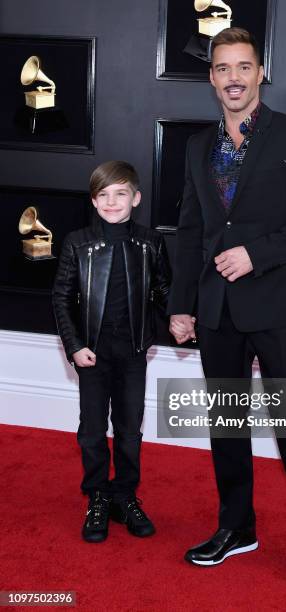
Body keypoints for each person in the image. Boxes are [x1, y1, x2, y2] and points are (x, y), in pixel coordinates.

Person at [168, 28, 286, 602]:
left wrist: (257, 254)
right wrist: (183, 307)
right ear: (212, 77)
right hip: (217, 310)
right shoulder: (197, 147)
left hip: (280, 306)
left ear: (260, 73)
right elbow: (192, 230)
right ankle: (237, 526)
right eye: (223, 69)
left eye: (244, 67)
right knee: (227, 428)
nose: (234, 78)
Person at [53, 160, 171, 543]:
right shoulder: (78, 242)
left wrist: (165, 328)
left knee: (128, 430)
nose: (112, 201)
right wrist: (74, 346)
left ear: (135, 198)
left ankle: (125, 496)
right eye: (103, 195)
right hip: (92, 354)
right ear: (94, 200)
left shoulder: (151, 242)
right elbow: (61, 298)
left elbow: (163, 293)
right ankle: (98, 497)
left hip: (133, 353)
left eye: (120, 193)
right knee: (91, 431)